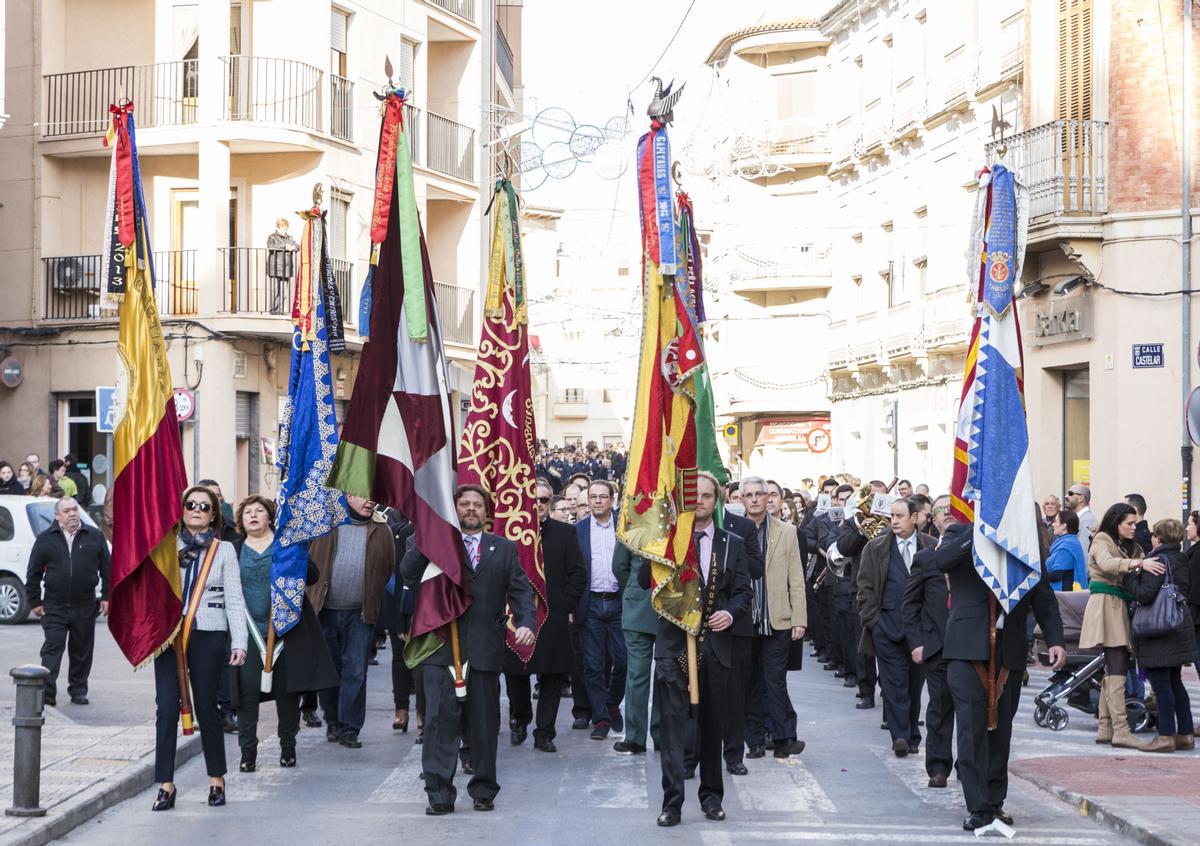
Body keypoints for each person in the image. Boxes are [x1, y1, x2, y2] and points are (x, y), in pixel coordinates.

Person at [400, 485, 536, 815]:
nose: (471, 509)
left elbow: (520, 590)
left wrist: (526, 623)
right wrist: (429, 536)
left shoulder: (503, 549)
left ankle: (484, 790)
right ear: (454, 509)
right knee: (438, 722)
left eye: (478, 505)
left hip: (484, 649)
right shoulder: (433, 543)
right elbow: (408, 573)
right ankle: (439, 794)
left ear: (487, 513)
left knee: (485, 724)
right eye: (464, 504)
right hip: (440, 646)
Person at [935, 519, 1067, 831]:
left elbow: (1044, 599)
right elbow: (942, 560)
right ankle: (978, 807)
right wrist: (981, 529)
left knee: (1000, 734)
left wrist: (1056, 640)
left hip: (1009, 653)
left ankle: (995, 801)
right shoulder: (960, 533)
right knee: (971, 731)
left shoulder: (1024, 543)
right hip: (967, 650)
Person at [641, 472, 752, 827]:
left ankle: (712, 797)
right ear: (686, 501)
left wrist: (730, 613)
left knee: (711, 726)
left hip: (716, 647)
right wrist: (661, 543)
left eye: (708, 496)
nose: (701, 501)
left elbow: (744, 593)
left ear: (716, 501)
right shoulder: (670, 542)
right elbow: (646, 581)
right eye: (696, 496)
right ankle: (672, 803)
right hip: (674, 646)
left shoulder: (732, 542)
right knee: (674, 729)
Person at [152, 485, 247, 811]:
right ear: (181, 510)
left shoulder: (224, 551)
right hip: (169, 635)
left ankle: (216, 780)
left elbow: (234, 598)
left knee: (208, 708)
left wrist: (240, 642)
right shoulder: (166, 547)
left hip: (208, 633)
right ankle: (165, 784)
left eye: (204, 507)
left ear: (213, 515)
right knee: (165, 709)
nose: (196, 509)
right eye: (190, 504)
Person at [231, 495, 337, 772]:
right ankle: (248, 753)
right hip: (247, 631)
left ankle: (287, 747)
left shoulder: (285, 546)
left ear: (270, 517)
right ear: (241, 521)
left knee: (287, 692)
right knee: (246, 692)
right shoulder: (232, 549)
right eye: (247, 512)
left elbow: (311, 575)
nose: (253, 515)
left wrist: (296, 559)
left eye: (259, 511)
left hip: (285, 630)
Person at [505, 479, 587, 753]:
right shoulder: (510, 533)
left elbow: (578, 573)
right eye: (533, 500)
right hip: (516, 616)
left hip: (553, 615)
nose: (538, 505)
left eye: (543, 500)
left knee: (552, 676)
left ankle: (545, 732)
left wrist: (565, 606)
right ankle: (520, 720)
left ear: (550, 502)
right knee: (516, 674)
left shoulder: (565, 533)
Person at [307, 493, 394, 748]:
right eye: (362, 496)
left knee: (356, 670)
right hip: (325, 610)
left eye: (372, 497)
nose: (370, 501)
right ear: (347, 496)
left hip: (360, 612)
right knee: (330, 669)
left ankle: (349, 728)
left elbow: (388, 567)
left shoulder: (382, 529)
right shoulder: (326, 523)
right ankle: (332, 720)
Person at [857, 498, 934, 757]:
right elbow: (865, 587)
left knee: (913, 684)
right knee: (893, 685)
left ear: (915, 517)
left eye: (900, 516)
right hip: (886, 628)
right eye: (892, 516)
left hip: (920, 633)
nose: (894, 521)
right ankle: (900, 736)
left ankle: (912, 732)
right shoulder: (875, 548)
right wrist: (874, 621)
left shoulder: (931, 547)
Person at [1079, 502, 1156, 749]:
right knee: (1118, 666)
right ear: (1116, 522)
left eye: (1135, 523)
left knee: (1114, 668)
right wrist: (1138, 564)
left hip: (1117, 606)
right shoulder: (1102, 539)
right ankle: (1120, 729)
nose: (1134, 527)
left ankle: (1106, 726)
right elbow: (1107, 563)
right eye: (1129, 524)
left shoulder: (1129, 545)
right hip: (1107, 605)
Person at [741, 476, 808, 759]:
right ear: (741, 499)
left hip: (777, 618)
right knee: (749, 683)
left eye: (761, 494)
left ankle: (783, 738)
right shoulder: (732, 530)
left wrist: (800, 619)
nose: (755, 499)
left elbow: (797, 577)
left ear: (770, 498)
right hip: (743, 621)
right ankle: (754, 741)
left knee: (775, 681)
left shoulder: (787, 531)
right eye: (749, 495)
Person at [25, 497, 110, 706]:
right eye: (66, 511)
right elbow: (33, 574)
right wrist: (35, 601)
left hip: (85, 605)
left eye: (75, 509)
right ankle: (47, 693)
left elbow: (108, 571)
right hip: (54, 606)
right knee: (52, 649)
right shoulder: (45, 539)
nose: (72, 514)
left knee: (81, 651)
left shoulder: (94, 536)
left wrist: (107, 596)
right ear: (57, 516)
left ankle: (78, 690)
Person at [1123, 518, 1195, 752]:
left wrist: (1130, 576)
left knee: (1161, 685)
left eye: (1154, 534)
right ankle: (1185, 734)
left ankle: (1165, 736)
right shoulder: (1181, 557)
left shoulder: (1157, 561)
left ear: (1159, 538)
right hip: (1177, 626)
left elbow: (1144, 595)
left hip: (1158, 630)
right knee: (1175, 682)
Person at [902, 499, 956, 788]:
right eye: (940, 509)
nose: (947, 512)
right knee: (939, 709)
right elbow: (910, 605)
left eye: (955, 508)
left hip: (973, 647)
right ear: (931, 520)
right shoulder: (925, 559)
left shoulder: (980, 556)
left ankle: (969, 763)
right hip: (938, 647)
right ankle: (938, 766)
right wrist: (917, 643)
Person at [575, 480, 627, 740]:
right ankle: (601, 719)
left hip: (619, 602)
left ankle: (612, 701)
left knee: (625, 659)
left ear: (612, 500)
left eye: (602, 497)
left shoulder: (625, 527)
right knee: (593, 665)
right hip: (591, 603)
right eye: (592, 497)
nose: (597, 501)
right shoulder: (578, 531)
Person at [613, 541, 658, 756]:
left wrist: (634, 589)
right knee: (643, 675)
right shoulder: (632, 514)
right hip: (643, 604)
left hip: (655, 605)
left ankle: (639, 736)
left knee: (651, 675)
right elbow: (619, 565)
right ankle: (645, 735)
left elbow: (620, 565)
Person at [1046, 510, 1087, 591]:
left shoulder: (1067, 545)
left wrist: (1038, 577)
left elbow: (1057, 575)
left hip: (1064, 595)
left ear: (1064, 526)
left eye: (1056, 522)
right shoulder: (1066, 541)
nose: (1053, 524)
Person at [1186, 511, 1200, 681]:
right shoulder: (1194, 551)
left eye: (1190, 523)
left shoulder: (1197, 554)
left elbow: (1194, 590)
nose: (1187, 527)